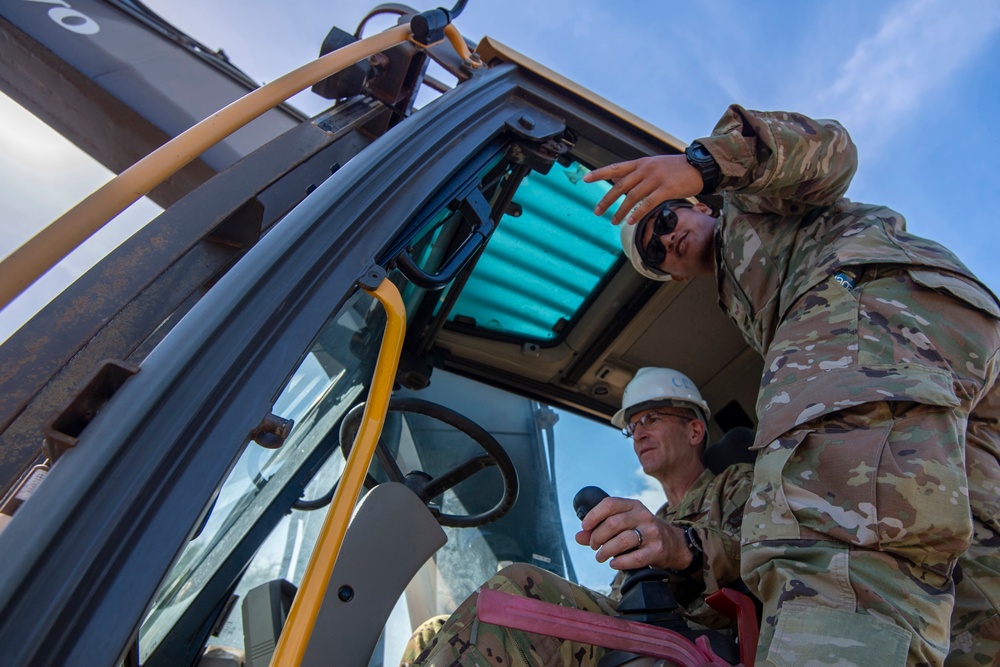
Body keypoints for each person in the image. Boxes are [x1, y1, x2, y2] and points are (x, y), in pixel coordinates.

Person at [582, 106, 1000, 667]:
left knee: (833, 533)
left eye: (663, 220)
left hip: (872, 292)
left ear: (696, 205)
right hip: (951, 335)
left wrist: (706, 163)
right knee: (980, 555)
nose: (667, 242)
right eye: (655, 257)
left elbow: (832, 152)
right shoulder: (751, 300)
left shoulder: (754, 205)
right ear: (673, 277)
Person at [402, 367, 754, 666]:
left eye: (651, 418)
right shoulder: (655, 516)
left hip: (692, 636)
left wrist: (681, 545)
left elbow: (761, 555)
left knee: (518, 588)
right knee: (431, 631)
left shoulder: (737, 483)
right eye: (632, 427)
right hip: (631, 630)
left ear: (694, 430)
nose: (639, 434)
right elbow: (620, 602)